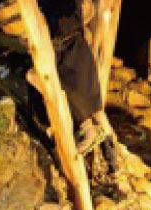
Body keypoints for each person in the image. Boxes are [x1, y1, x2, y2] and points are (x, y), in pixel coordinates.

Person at [37, 0, 115, 154]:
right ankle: (112, 163)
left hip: (69, 47)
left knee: (74, 92)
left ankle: (93, 136)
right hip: (75, 44)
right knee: (95, 108)